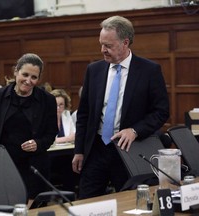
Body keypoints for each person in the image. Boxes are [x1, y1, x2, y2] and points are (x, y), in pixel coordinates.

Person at [72, 15, 170, 199]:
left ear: (125, 43)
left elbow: (161, 111)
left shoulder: (149, 70)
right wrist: (79, 150)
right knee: (86, 203)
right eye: (101, 44)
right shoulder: (94, 70)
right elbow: (84, 114)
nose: (103, 50)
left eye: (108, 46)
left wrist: (135, 130)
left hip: (129, 151)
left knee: (130, 204)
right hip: (96, 150)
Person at [0, 53, 58, 199]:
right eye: (25, 74)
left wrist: (38, 143)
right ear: (16, 71)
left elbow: (51, 132)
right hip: (3, 164)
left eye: (34, 77)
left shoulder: (48, 100)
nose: (28, 81)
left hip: (34, 166)